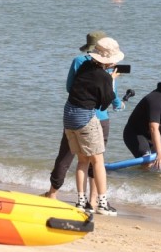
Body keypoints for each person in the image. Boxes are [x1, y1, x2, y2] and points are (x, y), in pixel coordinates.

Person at [44, 30, 123, 202]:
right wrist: (118, 102)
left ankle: (53, 193)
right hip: (99, 117)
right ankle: (94, 200)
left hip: (74, 114)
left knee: (67, 156)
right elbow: (111, 95)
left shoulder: (79, 61)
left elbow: (70, 87)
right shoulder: (107, 70)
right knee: (97, 160)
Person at [63, 37, 123, 215]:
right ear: (110, 60)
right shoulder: (104, 76)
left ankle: (81, 201)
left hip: (69, 116)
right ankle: (102, 203)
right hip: (85, 118)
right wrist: (111, 81)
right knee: (98, 161)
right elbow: (103, 105)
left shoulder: (83, 66)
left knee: (82, 160)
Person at [122, 65, 161, 171]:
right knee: (149, 163)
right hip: (135, 134)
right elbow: (153, 128)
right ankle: (138, 186)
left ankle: (156, 186)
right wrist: (160, 153)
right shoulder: (154, 99)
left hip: (152, 137)